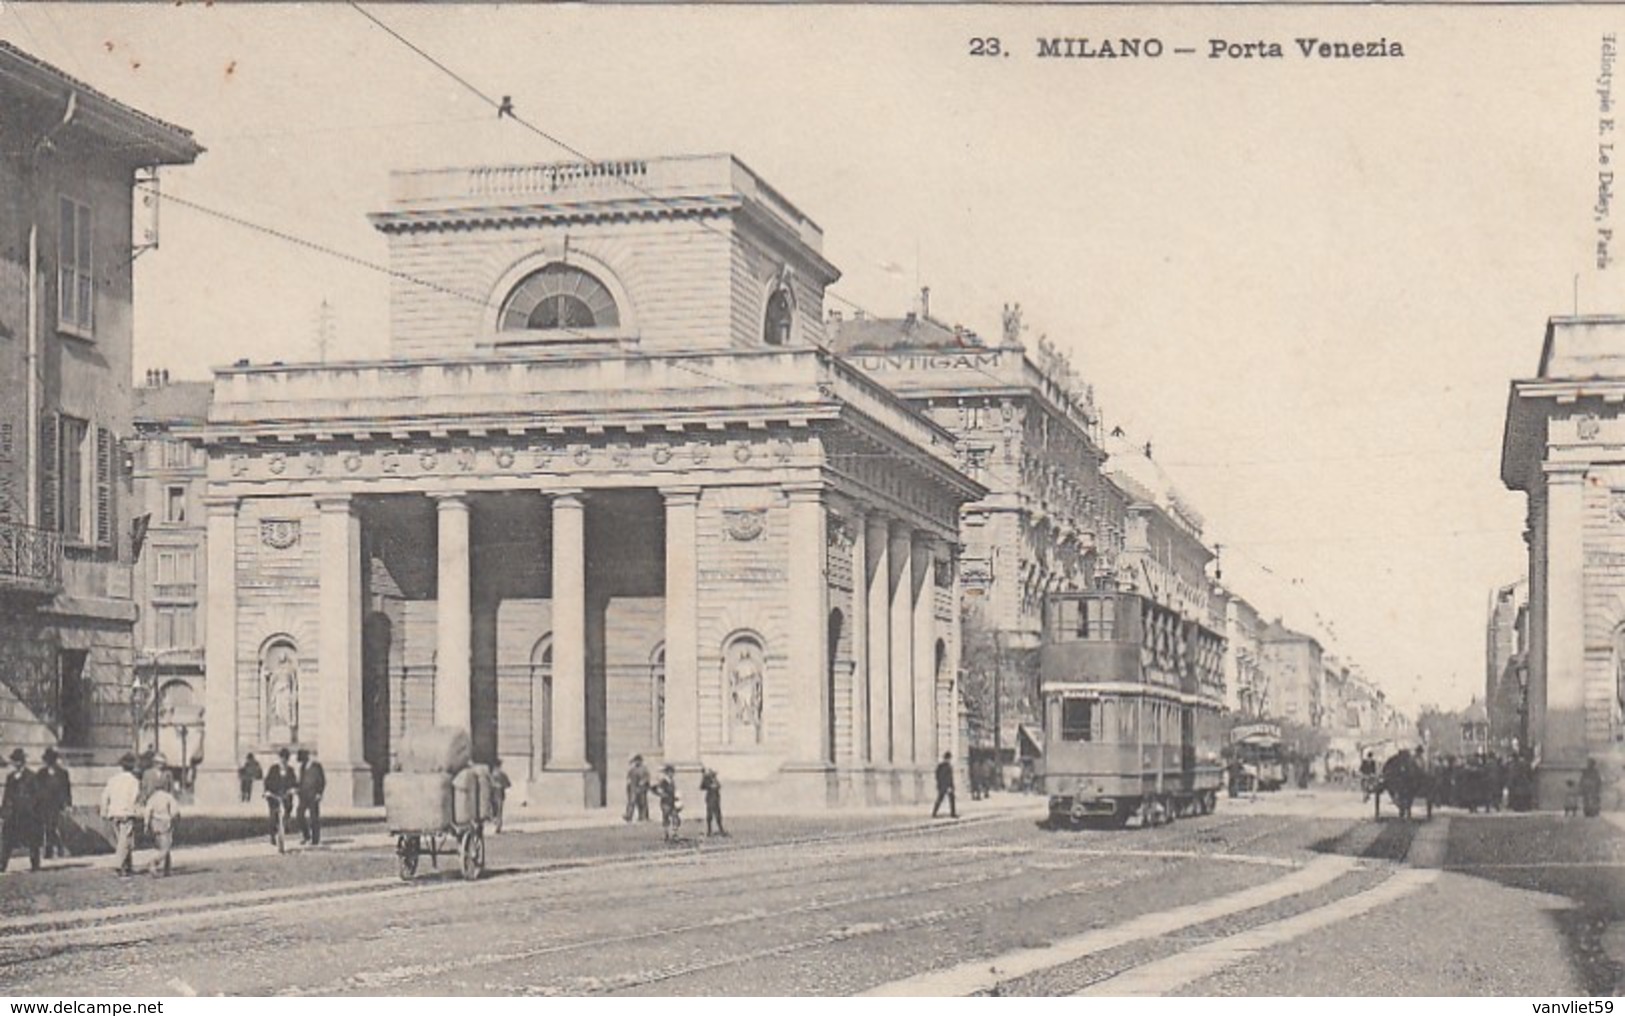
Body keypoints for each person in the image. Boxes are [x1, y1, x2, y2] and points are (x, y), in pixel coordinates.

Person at [0, 748, 42, 873]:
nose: (16, 764)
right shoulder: (11, 777)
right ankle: (2, 864)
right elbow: (7, 795)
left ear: (22, 762)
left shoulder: (31, 776)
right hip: (13, 814)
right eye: (14, 761)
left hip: (28, 814)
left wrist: (32, 808)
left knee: (32, 839)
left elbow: (38, 795)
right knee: (7, 838)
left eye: (18, 761)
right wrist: (3, 812)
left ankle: (35, 864)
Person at [100, 753, 142, 876]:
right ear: (133, 766)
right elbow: (135, 798)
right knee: (125, 841)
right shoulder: (134, 781)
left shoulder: (113, 780)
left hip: (113, 813)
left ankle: (127, 866)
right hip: (126, 813)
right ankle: (119, 865)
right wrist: (137, 811)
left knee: (122, 841)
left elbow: (105, 796)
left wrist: (104, 810)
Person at [143, 772, 180, 877]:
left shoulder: (152, 797)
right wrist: (175, 819)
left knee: (161, 846)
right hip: (165, 822)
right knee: (166, 847)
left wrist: (146, 824)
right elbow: (174, 811)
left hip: (154, 822)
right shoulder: (168, 797)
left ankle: (167, 869)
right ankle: (153, 862)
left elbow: (147, 811)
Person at [37, 748, 72, 860]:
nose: (49, 762)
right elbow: (37, 789)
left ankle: (53, 849)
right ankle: (54, 849)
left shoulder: (62, 773)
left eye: (51, 760)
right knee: (47, 827)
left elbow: (67, 789)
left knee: (52, 826)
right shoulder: (41, 773)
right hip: (44, 805)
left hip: (57, 805)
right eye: (48, 760)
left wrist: (68, 804)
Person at [263, 747, 297, 846]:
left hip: (285, 795)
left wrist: (293, 789)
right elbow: (267, 782)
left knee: (287, 809)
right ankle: (272, 835)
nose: (284, 760)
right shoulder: (273, 769)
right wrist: (267, 791)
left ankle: (285, 823)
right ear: (279, 758)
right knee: (273, 816)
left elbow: (294, 782)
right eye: (282, 758)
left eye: (286, 758)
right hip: (274, 796)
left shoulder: (290, 770)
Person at [296, 748, 326, 846]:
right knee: (299, 815)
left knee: (314, 817)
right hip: (303, 795)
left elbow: (322, 781)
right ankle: (306, 836)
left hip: (313, 794)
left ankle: (315, 839)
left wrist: (319, 793)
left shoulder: (317, 766)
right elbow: (301, 780)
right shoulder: (303, 767)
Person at [652, 763, 681, 842]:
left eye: (673, 772)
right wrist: (662, 794)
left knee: (675, 817)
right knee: (666, 817)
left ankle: (674, 833)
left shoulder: (672, 781)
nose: (672, 774)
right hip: (665, 803)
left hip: (672, 802)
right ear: (667, 773)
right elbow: (656, 789)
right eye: (671, 772)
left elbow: (674, 790)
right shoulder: (663, 781)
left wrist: (676, 797)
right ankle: (666, 833)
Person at [700, 767, 726, 837]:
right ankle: (709, 830)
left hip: (716, 799)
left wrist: (715, 786)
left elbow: (719, 786)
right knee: (709, 815)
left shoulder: (715, 780)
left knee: (718, 815)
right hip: (710, 799)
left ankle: (721, 829)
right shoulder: (707, 780)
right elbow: (702, 787)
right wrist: (706, 780)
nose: (714, 775)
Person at [624, 755, 650, 823]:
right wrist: (629, 784)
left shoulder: (644, 769)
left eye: (638, 760)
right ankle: (628, 816)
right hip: (633, 789)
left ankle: (643, 816)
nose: (637, 762)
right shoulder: (632, 770)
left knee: (642, 803)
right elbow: (628, 778)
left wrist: (643, 782)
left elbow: (647, 778)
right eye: (636, 761)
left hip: (641, 788)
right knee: (631, 802)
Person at [933, 751, 958, 819]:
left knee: (940, 799)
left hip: (942, 786)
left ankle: (934, 812)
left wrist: (939, 784)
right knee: (951, 799)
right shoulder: (947, 767)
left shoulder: (940, 766)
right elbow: (948, 778)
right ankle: (952, 813)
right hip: (946, 786)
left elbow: (937, 776)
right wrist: (949, 786)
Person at [490, 758, 512, 833]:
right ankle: (498, 825)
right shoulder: (502, 774)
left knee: (494, 809)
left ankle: (495, 822)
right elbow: (508, 784)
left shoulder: (491, 774)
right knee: (499, 810)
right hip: (499, 792)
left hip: (492, 793)